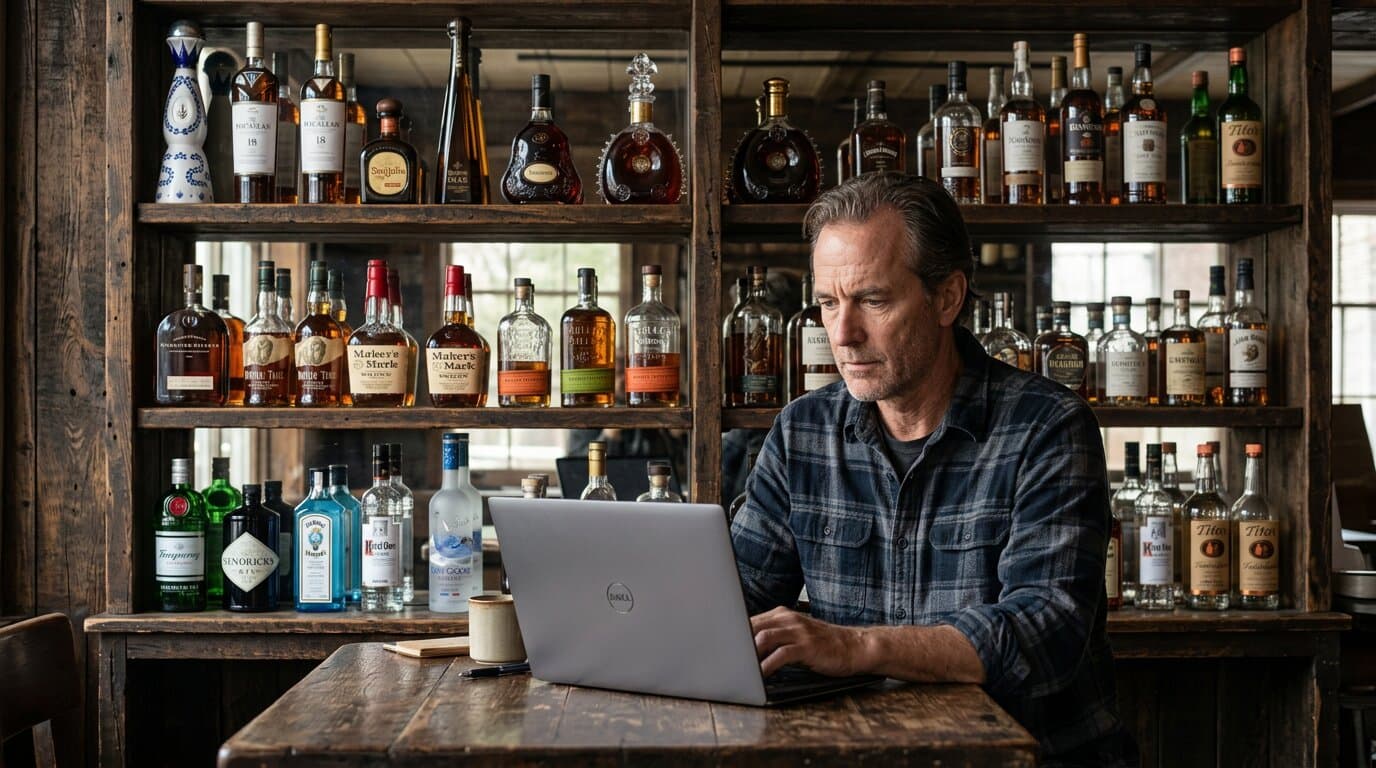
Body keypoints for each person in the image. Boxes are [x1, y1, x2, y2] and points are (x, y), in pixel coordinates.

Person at [729, 172, 1133, 767]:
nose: (843, 335)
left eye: (873, 300)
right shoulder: (802, 432)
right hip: (865, 755)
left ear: (947, 297)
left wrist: (857, 647)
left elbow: (1044, 634)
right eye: (828, 303)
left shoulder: (1047, 427)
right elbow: (736, 600)